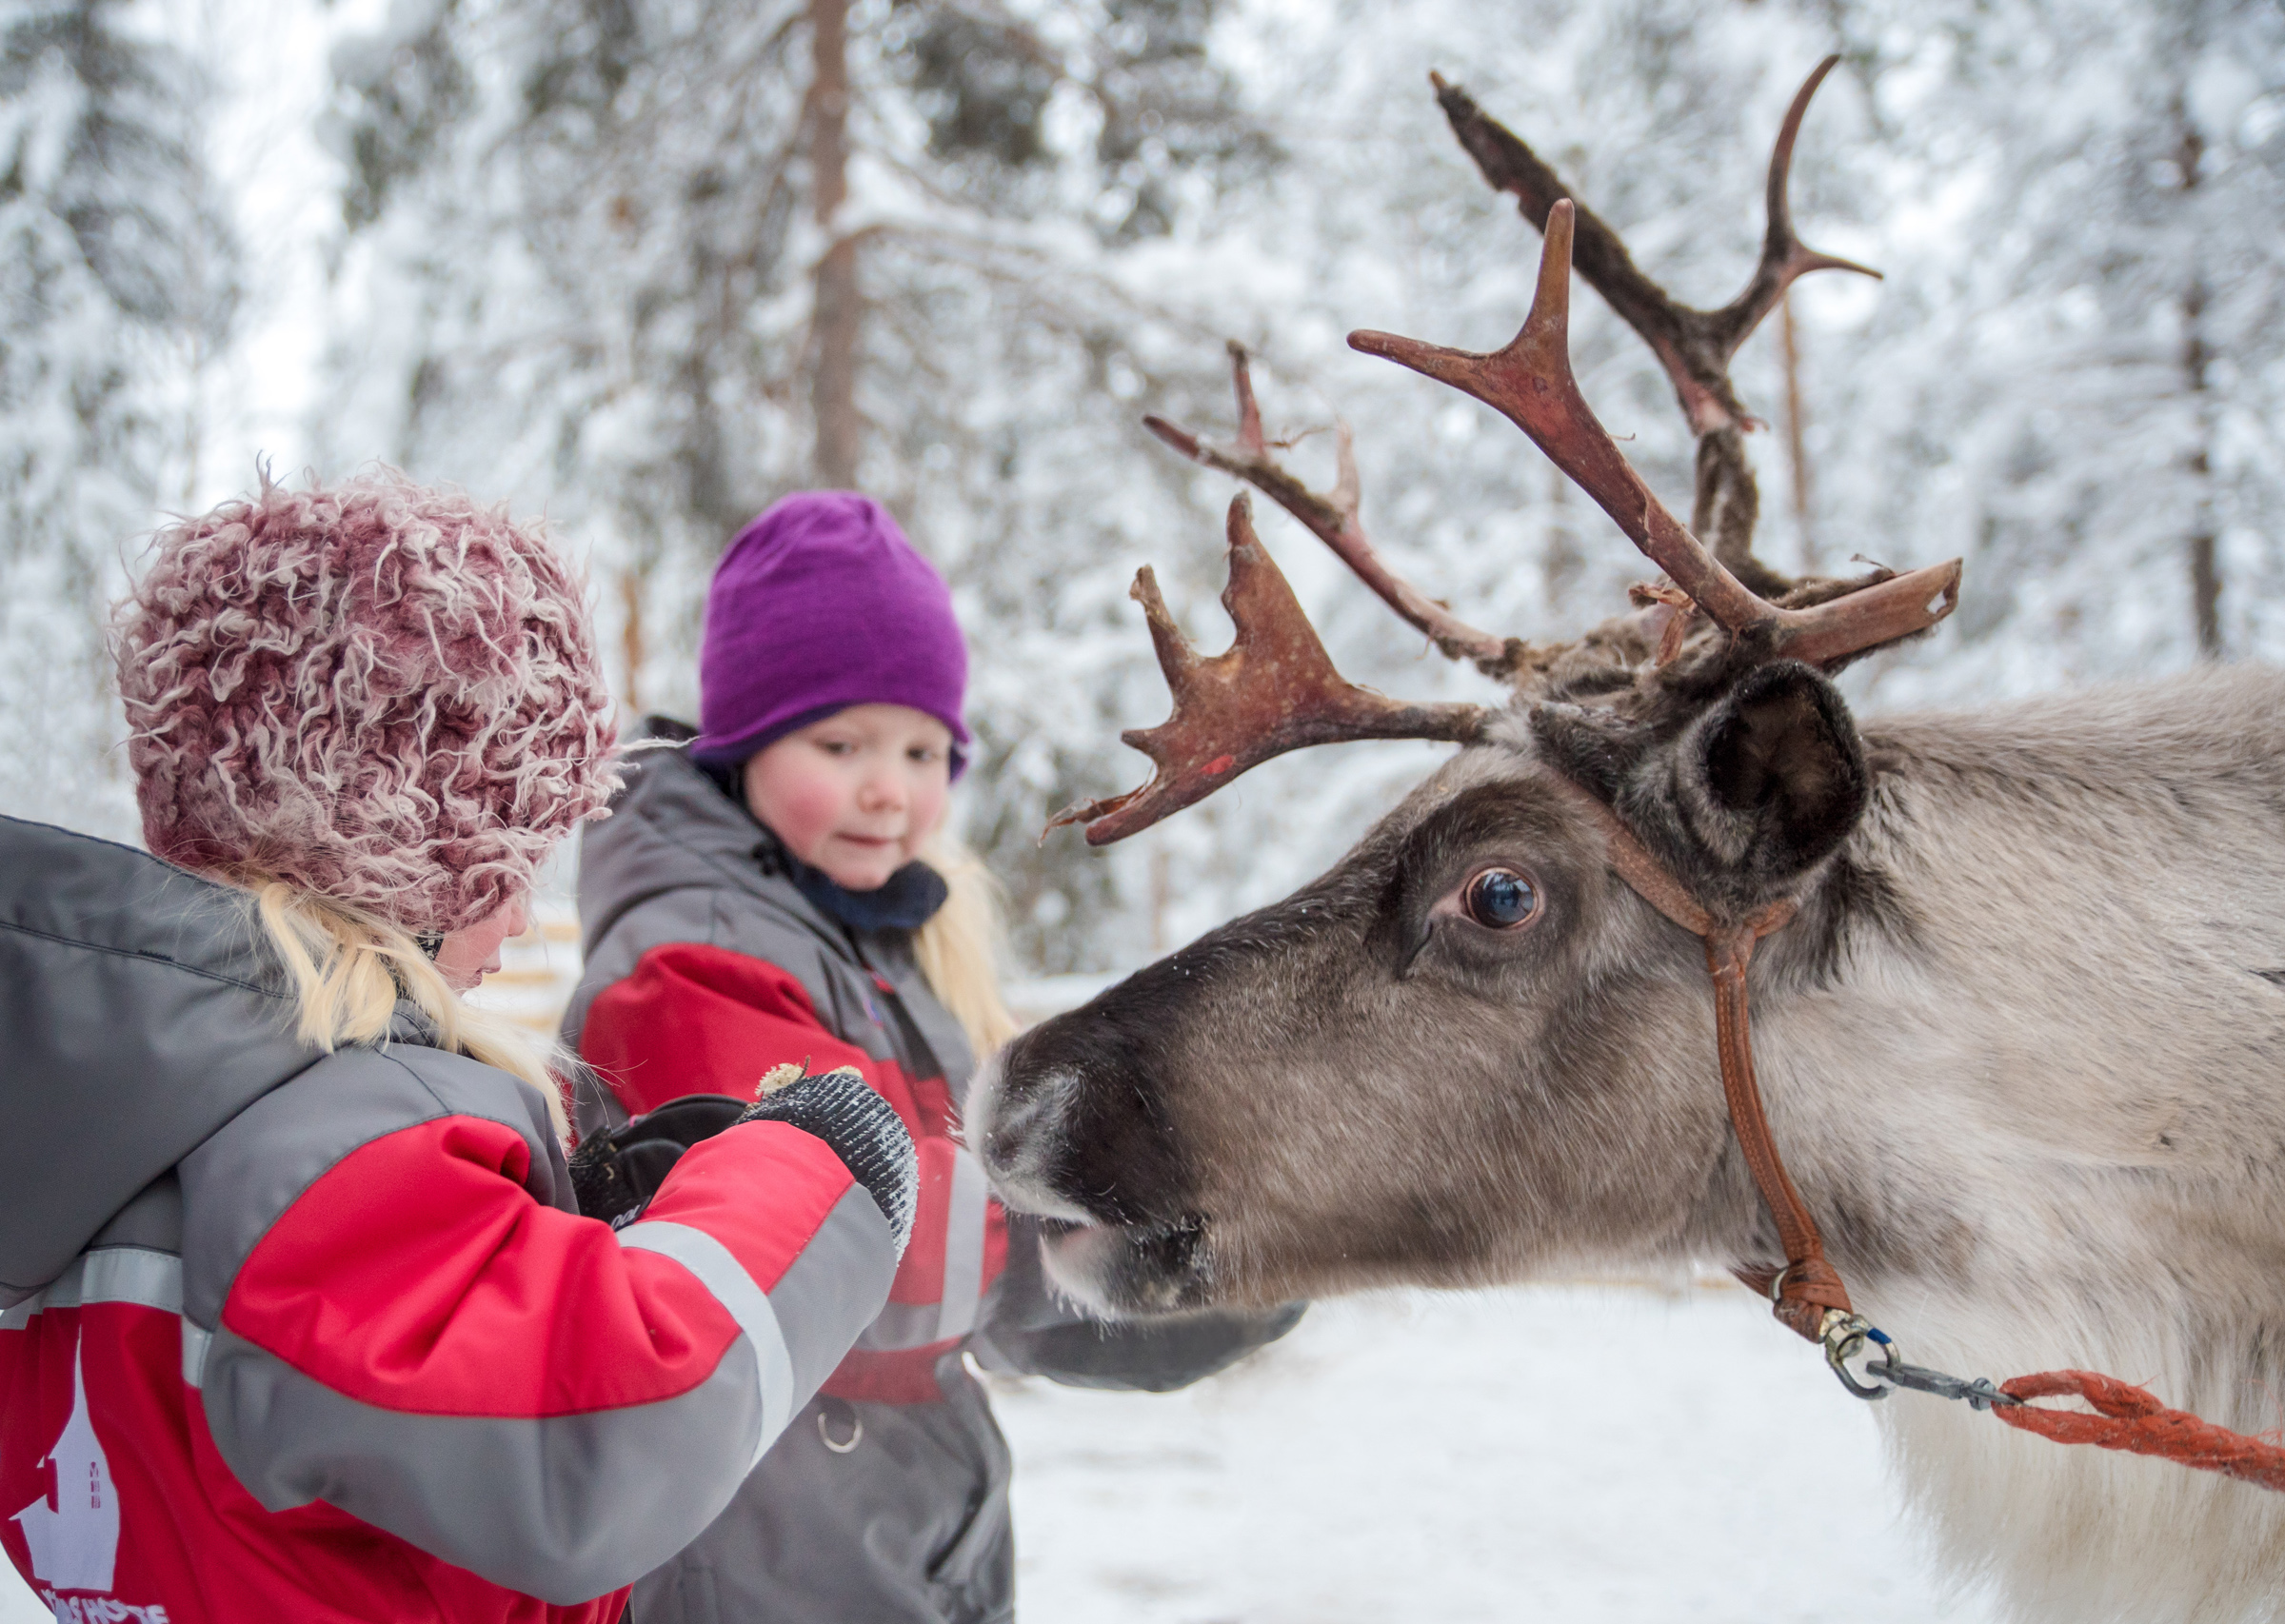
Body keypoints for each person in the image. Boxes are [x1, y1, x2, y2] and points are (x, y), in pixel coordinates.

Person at [0, 472, 921, 1624]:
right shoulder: (325, 1151)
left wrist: (567, 1228)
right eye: (511, 862)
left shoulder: (105, 1140)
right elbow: (612, 1430)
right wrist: (816, 1170)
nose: (525, 919)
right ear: (412, 862)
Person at [561, 491, 1301, 1624]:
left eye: (921, 748)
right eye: (840, 742)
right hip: (754, 1558)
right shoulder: (694, 958)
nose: (888, 788)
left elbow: (966, 1230)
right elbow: (825, 1252)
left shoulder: (879, 939)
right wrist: (1098, 1229)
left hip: (892, 1526)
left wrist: (1220, 1267)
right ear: (747, 743)